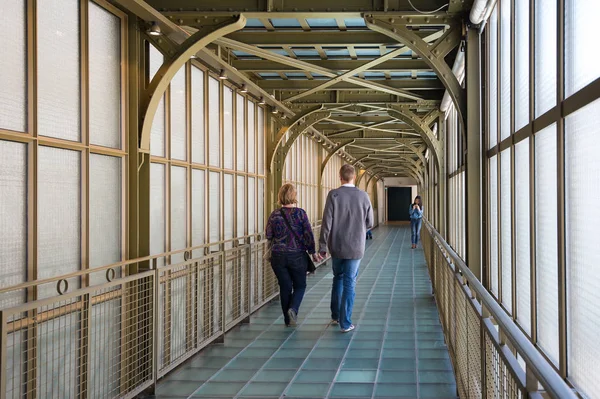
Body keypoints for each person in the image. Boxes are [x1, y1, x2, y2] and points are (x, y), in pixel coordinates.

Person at [319, 165, 373, 333]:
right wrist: (360, 229)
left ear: (339, 176)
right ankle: (345, 322)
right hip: (356, 247)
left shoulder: (333, 195)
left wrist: (322, 246)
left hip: (336, 245)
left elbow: (326, 222)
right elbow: (370, 222)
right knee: (350, 282)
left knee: (338, 278)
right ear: (354, 177)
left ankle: (335, 315)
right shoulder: (364, 196)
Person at [266, 183, 322, 327]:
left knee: (285, 287)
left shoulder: (274, 214)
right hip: (297, 255)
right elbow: (308, 234)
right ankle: (293, 309)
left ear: (280, 196)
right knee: (300, 285)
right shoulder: (300, 213)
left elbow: (268, 234)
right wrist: (313, 252)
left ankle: (288, 320)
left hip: (278, 256)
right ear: (294, 196)